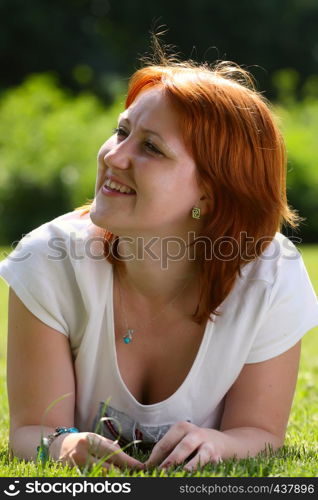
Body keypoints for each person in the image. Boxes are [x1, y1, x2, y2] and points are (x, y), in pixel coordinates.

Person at [1, 49, 318, 474]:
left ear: (210, 194)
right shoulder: (50, 260)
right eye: (121, 131)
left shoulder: (270, 276)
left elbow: (259, 433)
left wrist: (218, 444)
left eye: (151, 147)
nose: (114, 156)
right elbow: (32, 430)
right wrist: (64, 446)